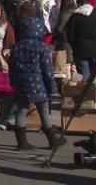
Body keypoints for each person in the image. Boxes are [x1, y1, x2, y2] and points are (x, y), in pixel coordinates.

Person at [10, 17, 66, 150]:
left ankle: (21, 142)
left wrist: (13, 81)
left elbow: (12, 66)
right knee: (44, 110)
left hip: (22, 82)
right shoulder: (42, 47)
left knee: (22, 110)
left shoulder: (18, 46)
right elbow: (47, 69)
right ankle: (52, 139)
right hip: (38, 83)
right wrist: (52, 87)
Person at [67, 0, 96, 80]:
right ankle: (93, 91)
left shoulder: (75, 17)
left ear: (78, 4)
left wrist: (74, 45)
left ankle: (87, 92)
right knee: (94, 75)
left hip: (81, 50)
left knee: (85, 76)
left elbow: (70, 36)